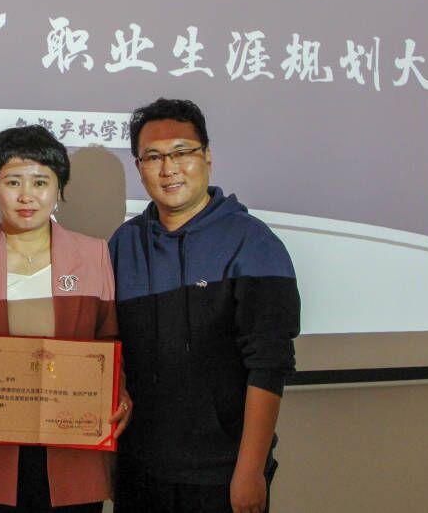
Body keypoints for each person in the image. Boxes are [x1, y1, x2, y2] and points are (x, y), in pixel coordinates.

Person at [108, 98, 301, 513]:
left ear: (207, 157)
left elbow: (269, 365)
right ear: (139, 166)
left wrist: (250, 470)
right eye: (153, 157)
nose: (169, 168)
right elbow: (110, 342)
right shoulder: (124, 244)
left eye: (182, 152)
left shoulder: (253, 243)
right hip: (140, 470)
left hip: (222, 473)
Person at [0, 125, 133, 512]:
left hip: (73, 451)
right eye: (13, 182)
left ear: (59, 188)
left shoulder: (92, 254)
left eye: (41, 182)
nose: (27, 196)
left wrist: (119, 392)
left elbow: (109, 340)